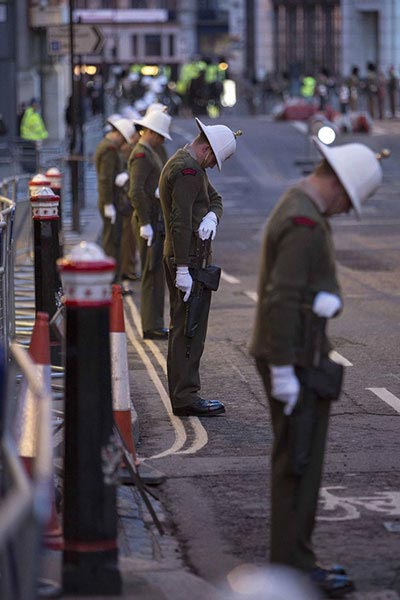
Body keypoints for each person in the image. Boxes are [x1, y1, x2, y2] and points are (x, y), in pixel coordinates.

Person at [249, 138, 386, 597]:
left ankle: (297, 559)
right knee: (298, 466)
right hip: (296, 357)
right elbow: (282, 297)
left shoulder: (298, 201)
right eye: (349, 201)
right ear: (339, 187)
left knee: (298, 463)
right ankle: (292, 570)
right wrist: (286, 368)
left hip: (299, 352)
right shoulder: (305, 220)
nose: (347, 211)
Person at [159, 118, 241, 416]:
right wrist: (182, 268)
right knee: (189, 331)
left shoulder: (185, 162)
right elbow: (180, 224)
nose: (211, 166)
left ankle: (184, 393)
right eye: (213, 160)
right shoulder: (189, 170)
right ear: (206, 150)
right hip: (189, 260)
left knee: (185, 327)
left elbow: (215, 200)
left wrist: (212, 218)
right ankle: (185, 396)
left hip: (190, 258)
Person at [128, 110, 172, 339]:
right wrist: (145, 222)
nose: (163, 140)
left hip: (154, 218)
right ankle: (150, 325)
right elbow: (135, 190)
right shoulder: (142, 155)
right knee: (151, 272)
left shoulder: (148, 151)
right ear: (152, 133)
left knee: (156, 273)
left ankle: (155, 322)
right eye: (161, 136)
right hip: (149, 220)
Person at [94, 118, 136, 274]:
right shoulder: (109, 149)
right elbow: (105, 178)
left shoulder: (108, 147)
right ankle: (111, 283)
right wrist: (108, 203)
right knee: (112, 242)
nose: (123, 143)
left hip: (111, 199)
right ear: (118, 134)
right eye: (123, 139)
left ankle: (114, 284)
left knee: (114, 240)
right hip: (111, 200)